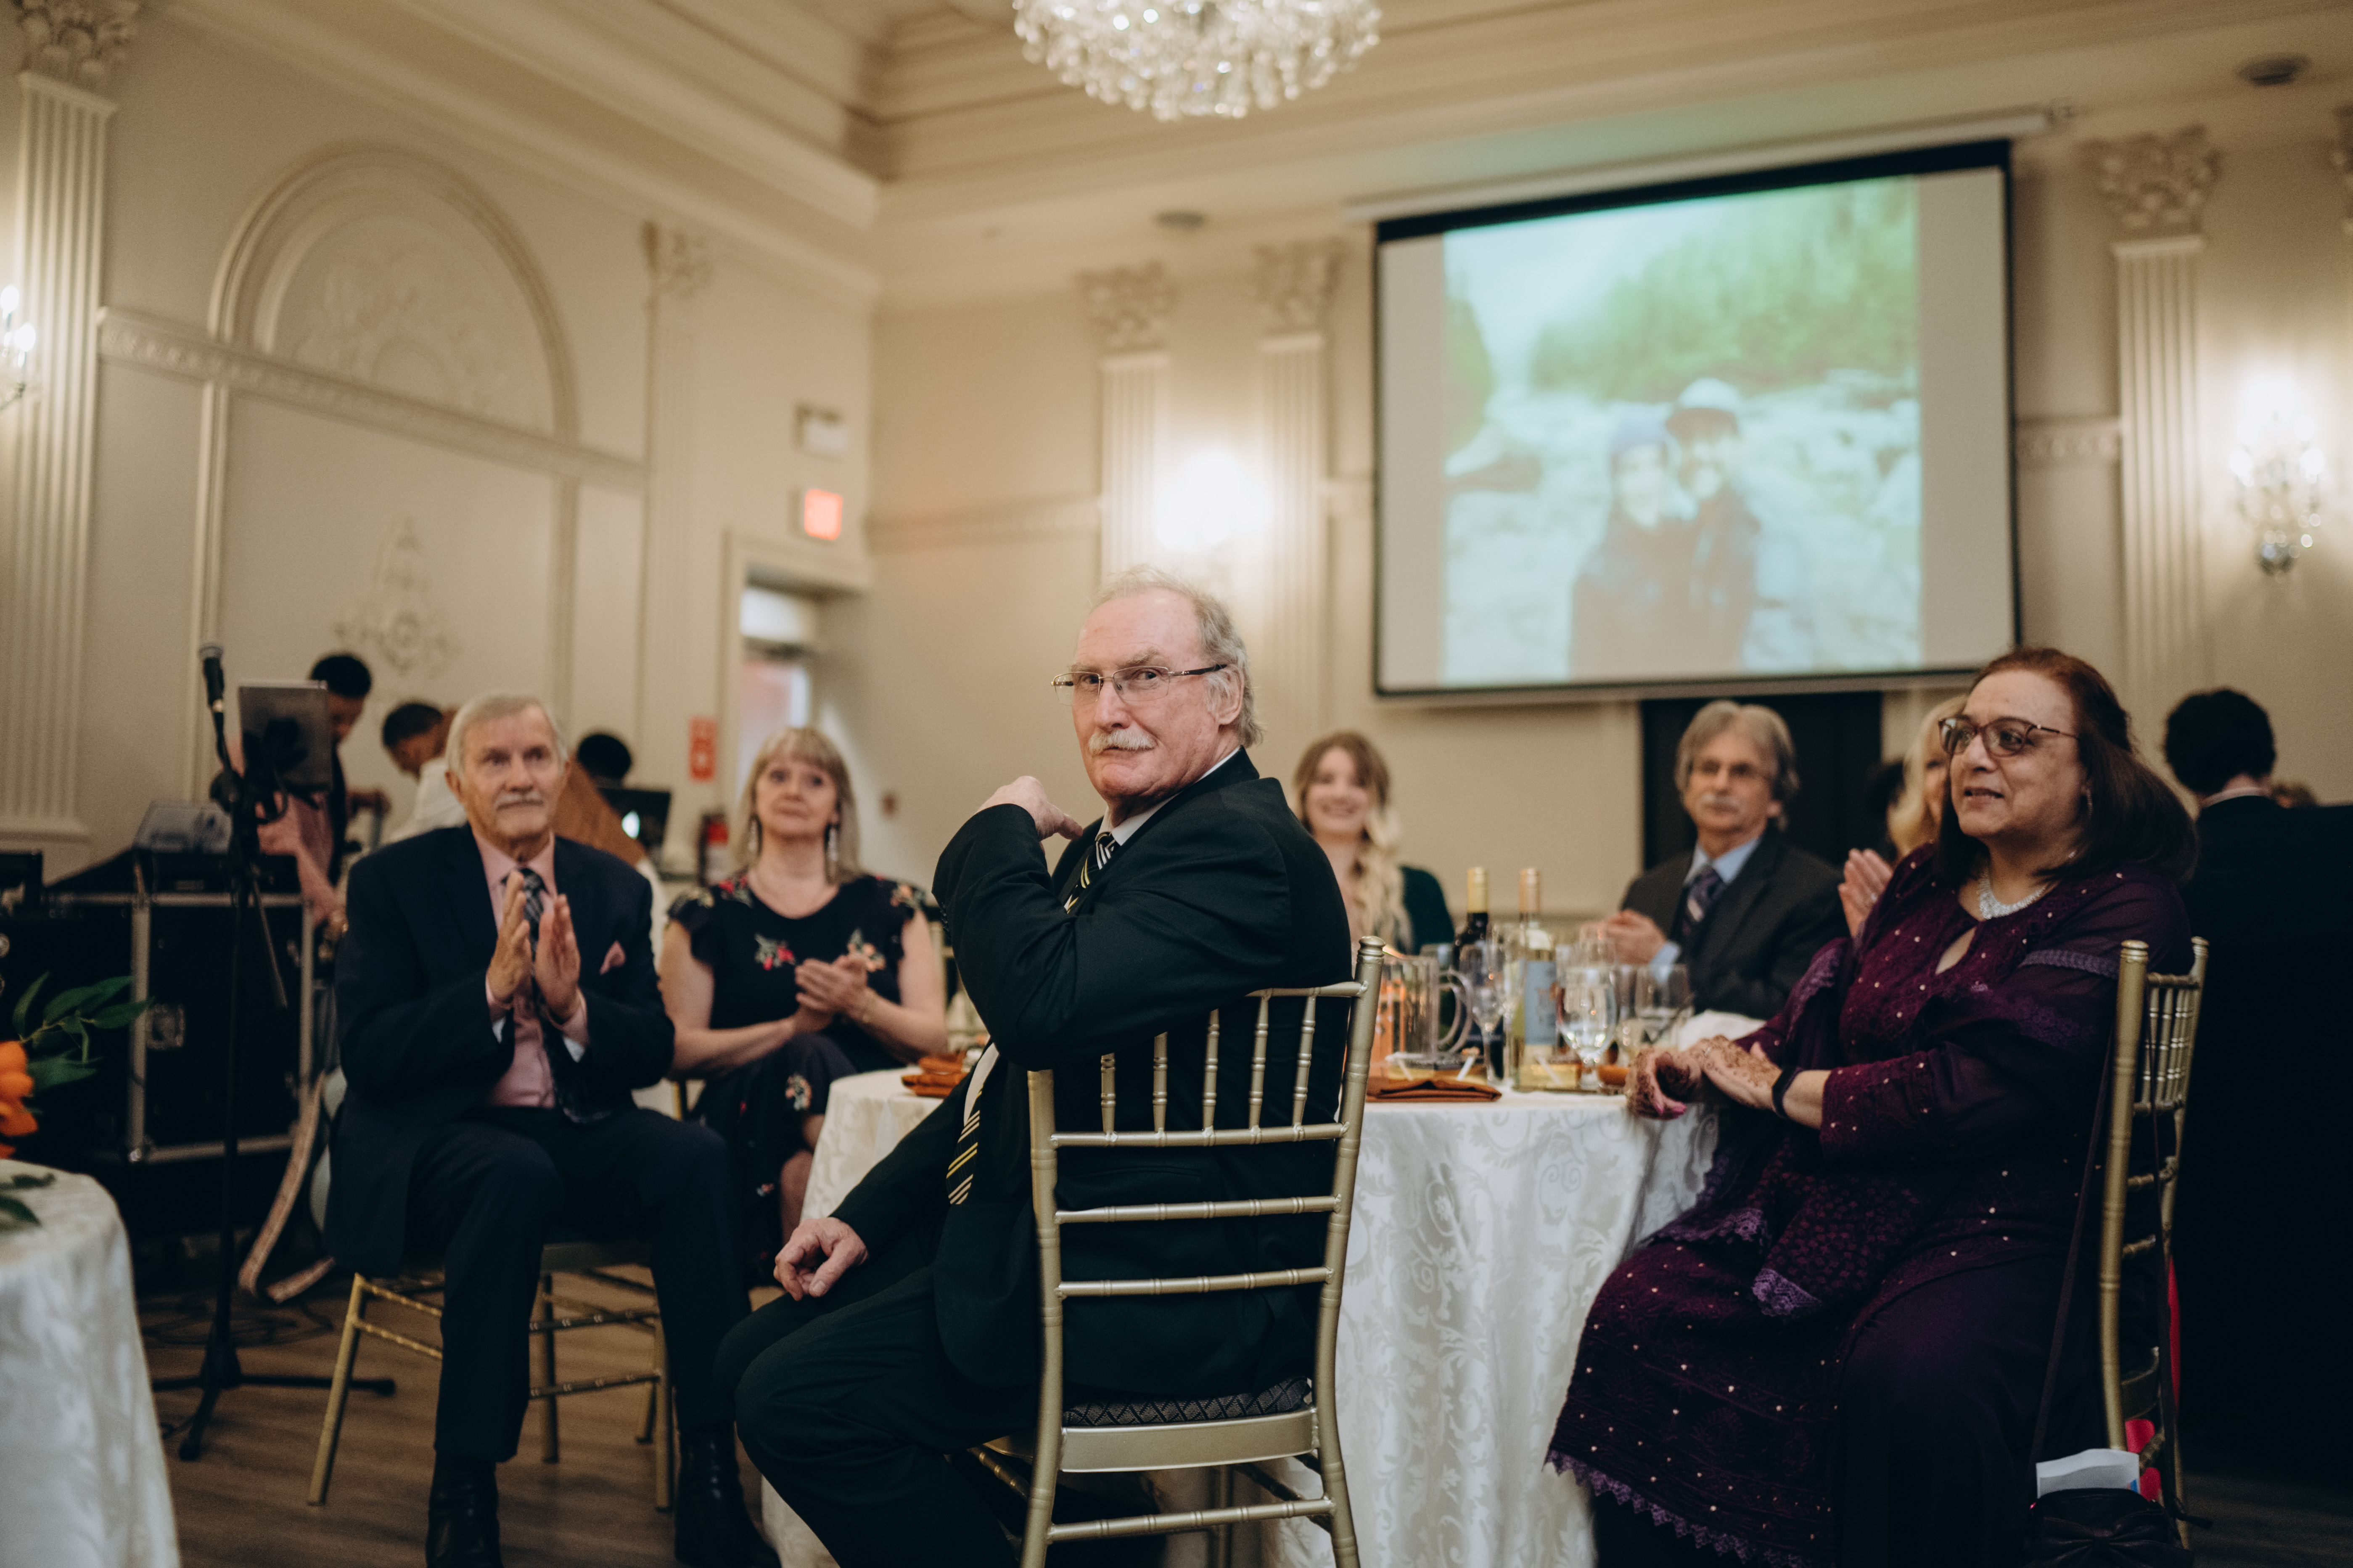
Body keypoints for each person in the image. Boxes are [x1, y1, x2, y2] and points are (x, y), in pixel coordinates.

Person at [713, 566, 1352, 1567]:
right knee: (744, 1354)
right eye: (1088, 681)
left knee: (794, 1398)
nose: (1108, 709)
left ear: (1225, 693)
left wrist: (998, 826)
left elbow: (1038, 1010)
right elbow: (1007, 1070)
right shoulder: (1140, 842)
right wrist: (864, 1215)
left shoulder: (1236, 847)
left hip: (1164, 1289)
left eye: (1143, 676)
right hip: (1068, 1247)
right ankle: (1079, 1548)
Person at [1556, 646, 2194, 1567]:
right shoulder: (1925, 882)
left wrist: (1777, 1087)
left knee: (1903, 1375)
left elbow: (1967, 1088)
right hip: (1853, 1202)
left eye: (2013, 739)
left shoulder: (2126, 904)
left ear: (2092, 772)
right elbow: (1812, 1020)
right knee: (1639, 1304)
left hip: (2018, 1226)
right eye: (1963, 734)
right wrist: (1701, 1063)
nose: (1974, 757)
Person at [328, 693, 773, 1568]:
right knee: (510, 1173)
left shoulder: (614, 885)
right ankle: (463, 1491)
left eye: (536, 756)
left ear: (564, 774)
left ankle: (712, 1480)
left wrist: (573, 1007)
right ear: (457, 782)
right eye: (495, 760)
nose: (520, 776)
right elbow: (369, 1053)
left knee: (696, 1157)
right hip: (436, 1136)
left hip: (573, 1125)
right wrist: (489, 995)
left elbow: (651, 1048)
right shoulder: (391, 881)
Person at [661, 727, 948, 1282]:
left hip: (857, 1108)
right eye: (778, 776)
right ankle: (885, 1194)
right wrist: (792, 1027)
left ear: (838, 808)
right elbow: (676, 1051)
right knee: (806, 1050)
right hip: (744, 1119)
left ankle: (806, 1315)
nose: (794, 790)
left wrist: (860, 1004)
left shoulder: (893, 906)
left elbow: (934, 1040)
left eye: (814, 780)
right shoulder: (706, 914)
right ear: (754, 798)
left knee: (801, 1173)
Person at [2160, 688, 2353, 1465]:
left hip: (2207, 1141)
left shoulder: (2167, 873)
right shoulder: (2338, 840)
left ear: (2181, 770)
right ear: (2268, 754)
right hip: (2330, 1119)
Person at [1604, 701, 1843, 1018]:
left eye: (1742, 772)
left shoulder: (1815, 892)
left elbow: (1788, 1008)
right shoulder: (1647, 889)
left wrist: (1665, 961)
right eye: (1708, 768)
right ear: (1686, 787)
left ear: (1776, 798)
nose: (1720, 785)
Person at [1669, 380, 1814, 674]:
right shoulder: (1699, 527)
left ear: (1740, 445)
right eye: (1687, 439)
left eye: (1712, 437)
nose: (1698, 453)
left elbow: (1776, 657)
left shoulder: (1768, 537)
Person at [1292, 730, 1451, 951]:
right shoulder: (1277, 886)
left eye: (1358, 783)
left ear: (1379, 800)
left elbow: (1441, 971)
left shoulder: (1421, 891)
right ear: (1303, 795)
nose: (1341, 794)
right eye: (1326, 780)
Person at [1570, 412, 1695, 679]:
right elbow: (1588, 677)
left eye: (1655, 466)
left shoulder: (1693, 543)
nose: (1645, 485)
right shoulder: (1596, 577)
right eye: (1631, 470)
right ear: (1614, 481)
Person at [1838, 695, 1966, 936]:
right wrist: (1876, 939)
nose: (1945, 778)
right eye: (1934, 764)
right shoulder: (1912, 879)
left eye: (1960, 758)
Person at [311, 651, 391, 872]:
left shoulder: (328, 751)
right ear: (310, 699)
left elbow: (320, 808)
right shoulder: (274, 753)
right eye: (336, 720)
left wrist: (357, 800)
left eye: (353, 722)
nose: (346, 733)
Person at [382, 701, 466, 843]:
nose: (402, 769)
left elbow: (419, 840)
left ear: (406, 750)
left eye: (400, 760)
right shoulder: (467, 769)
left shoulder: (438, 774)